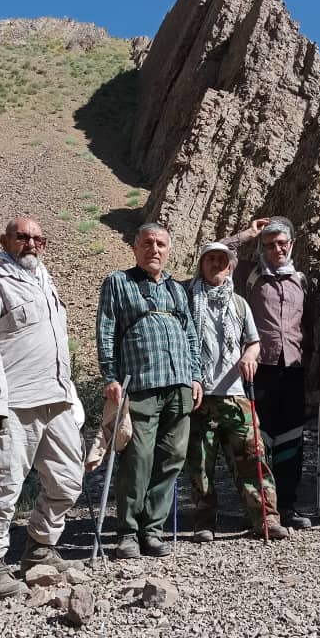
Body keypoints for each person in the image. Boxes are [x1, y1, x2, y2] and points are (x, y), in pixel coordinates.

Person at [96, 222, 203, 559]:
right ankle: (127, 533)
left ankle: (152, 531)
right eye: (147, 243)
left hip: (179, 385)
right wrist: (110, 376)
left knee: (171, 459)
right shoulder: (118, 282)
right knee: (138, 460)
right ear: (135, 248)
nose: (154, 249)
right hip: (140, 385)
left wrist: (195, 376)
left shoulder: (176, 289)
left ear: (168, 250)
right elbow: (106, 331)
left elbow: (190, 336)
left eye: (160, 244)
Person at [0, 217, 84, 599]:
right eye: (22, 237)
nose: (31, 244)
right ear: (5, 241)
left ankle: (39, 548)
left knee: (68, 480)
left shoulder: (44, 279)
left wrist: (72, 394)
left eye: (38, 238)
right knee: (4, 486)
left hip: (57, 398)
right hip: (15, 403)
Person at [186, 241, 288, 541]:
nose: (216, 264)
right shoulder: (186, 300)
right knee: (200, 463)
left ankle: (265, 519)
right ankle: (204, 522)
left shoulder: (239, 303)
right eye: (210, 259)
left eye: (222, 259)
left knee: (254, 457)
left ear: (231, 266)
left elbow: (254, 342)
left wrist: (249, 356)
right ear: (201, 265)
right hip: (199, 395)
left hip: (236, 393)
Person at [221, 217, 312, 529]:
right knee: (258, 441)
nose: (277, 249)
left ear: (292, 244)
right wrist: (248, 233)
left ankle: (286, 505)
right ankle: (261, 509)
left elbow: (310, 327)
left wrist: (313, 367)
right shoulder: (247, 273)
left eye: (282, 243)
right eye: (270, 244)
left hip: (294, 369)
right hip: (258, 369)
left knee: (291, 438)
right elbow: (219, 251)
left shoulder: (301, 280)